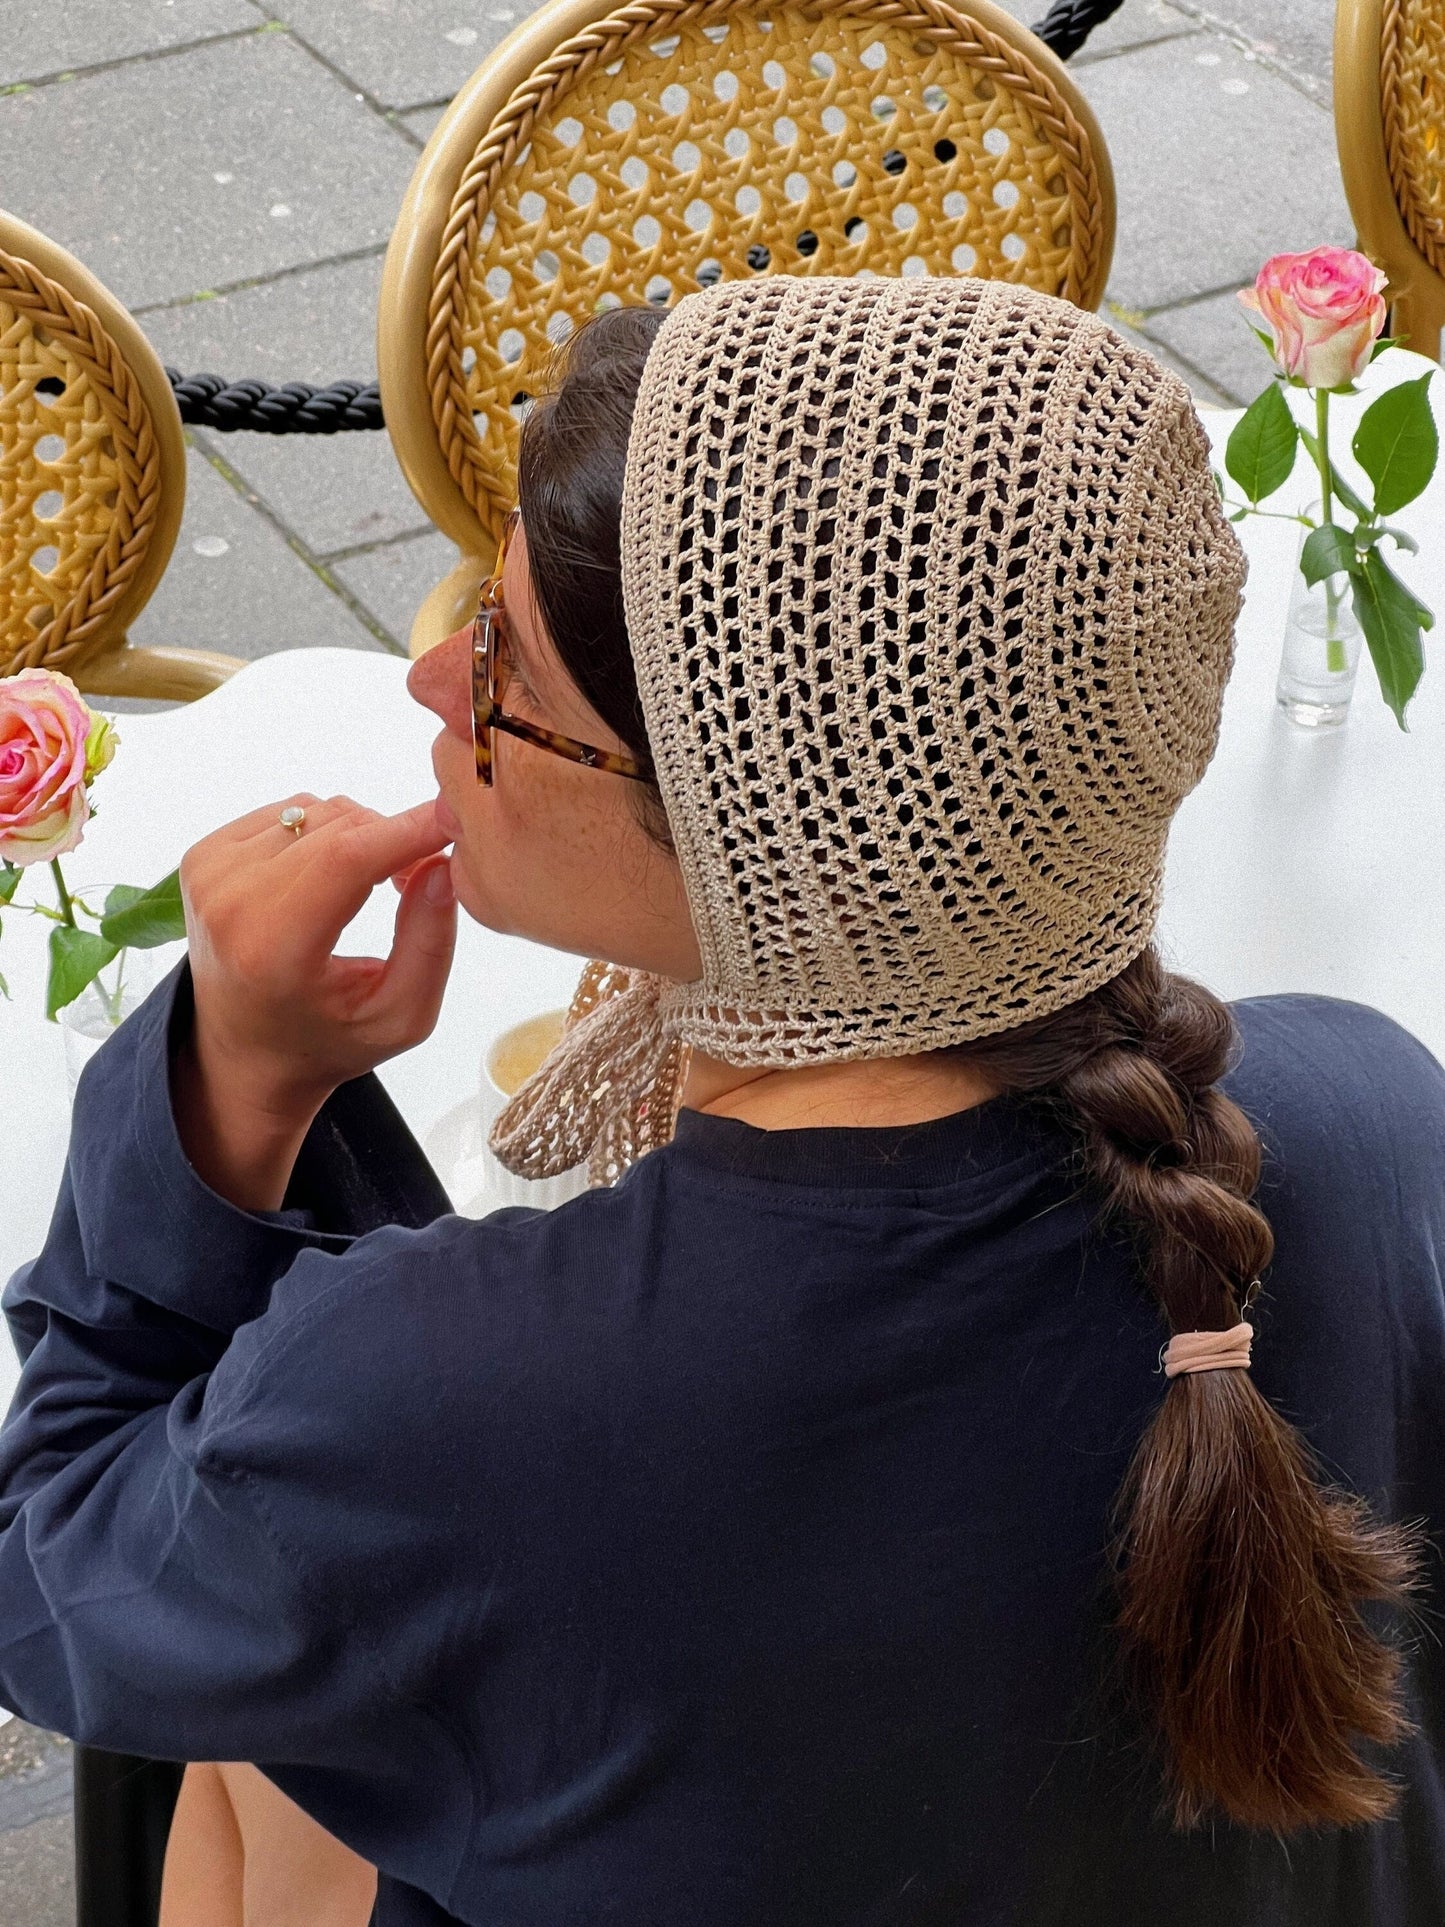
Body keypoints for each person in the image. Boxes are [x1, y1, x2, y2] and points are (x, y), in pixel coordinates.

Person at [1, 275, 1443, 1927]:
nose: (431, 685)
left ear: (752, 826)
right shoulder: (1369, 1110)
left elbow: (53, 1577)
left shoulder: (439, 1400)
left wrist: (235, 1079)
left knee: (253, 1757)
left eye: (503, 661)